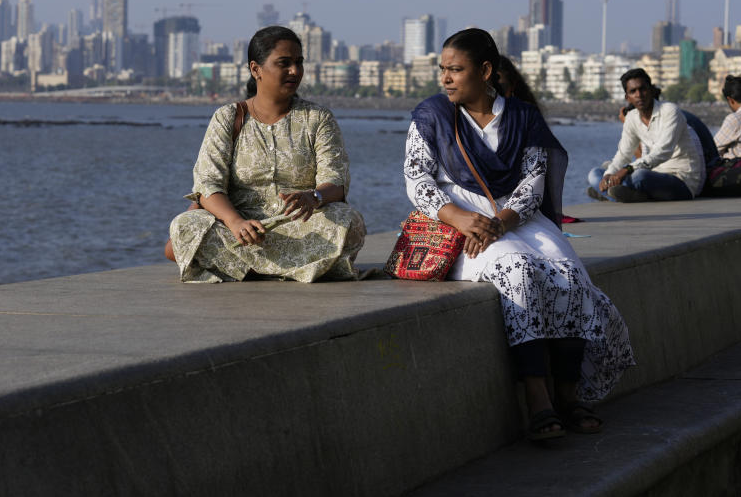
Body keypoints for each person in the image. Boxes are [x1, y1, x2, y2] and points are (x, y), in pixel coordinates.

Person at [403, 28, 634, 440]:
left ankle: (568, 392)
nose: (446, 79)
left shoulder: (522, 117)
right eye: (443, 70)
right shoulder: (432, 115)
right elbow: (417, 179)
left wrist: (502, 221)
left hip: (516, 218)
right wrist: (459, 217)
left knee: (569, 273)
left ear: (486, 70)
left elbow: (534, 181)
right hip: (459, 223)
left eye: (456, 70)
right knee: (518, 268)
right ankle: (537, 398)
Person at [165, 25, 366, 282]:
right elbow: (207, 185)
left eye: (299, 62)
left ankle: (245, 267)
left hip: (300, 225)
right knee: (185, 226)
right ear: (255, 69)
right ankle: (297, 267)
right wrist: (236, 222)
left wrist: (313, 197)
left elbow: (336, 182)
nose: (295, 71)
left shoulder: (318, 118)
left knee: (348, 221)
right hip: (240, 228)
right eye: (284, 63)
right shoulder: (228, 117)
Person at [587, 69, 705, 202]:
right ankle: (628, 194)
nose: (639, 95)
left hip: (681, 180)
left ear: (651, 90)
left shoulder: (670, 111)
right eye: (633, 91)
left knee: (639, 176)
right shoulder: (632, 118)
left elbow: (663, 152)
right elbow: (624, 154)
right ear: (628, 97)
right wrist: (608, 175)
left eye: (642, 89)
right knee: (594, 175)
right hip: (653, 175)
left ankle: (613, 194)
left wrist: (627, 169)